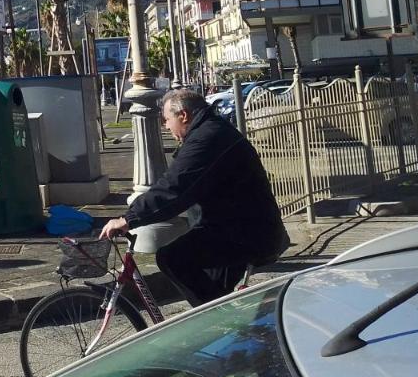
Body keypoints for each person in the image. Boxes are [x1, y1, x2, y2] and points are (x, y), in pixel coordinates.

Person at [100, 89, 289, 306]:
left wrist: (128, 219)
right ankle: (227, 329)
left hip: (247, 234)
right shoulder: (211, 130)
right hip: (241, 228)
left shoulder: (207, 139)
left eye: (166, 119)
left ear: (184, 115)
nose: (165, 125)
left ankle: (213, 327)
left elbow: (174, 188)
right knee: (214, 294)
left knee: (172, 258)